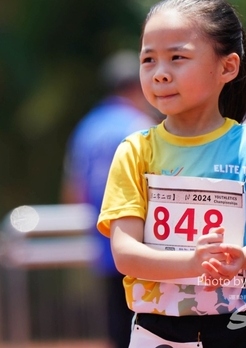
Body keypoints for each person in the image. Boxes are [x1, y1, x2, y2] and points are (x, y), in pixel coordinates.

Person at [97, 0, 246, 347]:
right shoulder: (134, 151)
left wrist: (243, 257)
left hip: (244, 326)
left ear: (227, 67)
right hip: (158, 331)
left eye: (177, 57)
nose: (160, 74)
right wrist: (192, 263)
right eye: (148, 60)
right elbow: (125, 253)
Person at [61, 50, 159, 348]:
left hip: (103, 240)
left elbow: (74, 190)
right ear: (136, 87)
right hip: (143, 242)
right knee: (147, 323)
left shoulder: (86, 128)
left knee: (116, 321)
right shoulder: (139, 125)